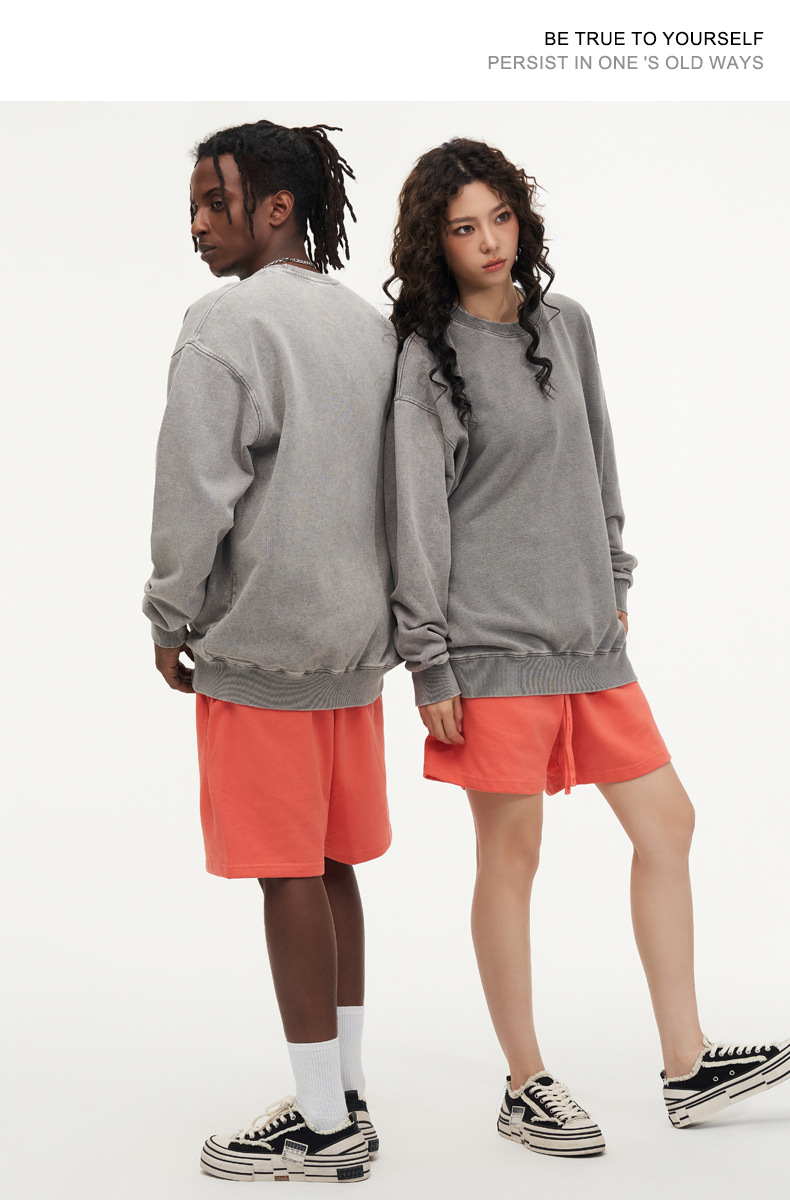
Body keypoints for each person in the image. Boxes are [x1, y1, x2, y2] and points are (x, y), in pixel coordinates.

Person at [383, 137, 789, 1157]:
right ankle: (525, 1082)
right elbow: (415, 517)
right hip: (489, 645)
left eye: (500, 217)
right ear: (436, 243)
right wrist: (429, 659)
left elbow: (598, 460)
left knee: (667, 822)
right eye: (464, 227)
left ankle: (688, 1065)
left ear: (521, 218)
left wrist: (613, 578)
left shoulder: (567, 325)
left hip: (586, 636)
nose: (489, 241)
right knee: (512, 852)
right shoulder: (427, 359)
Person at [143, 119, 398, 1184]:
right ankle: (345, 1090)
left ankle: (323, 1127)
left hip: (264, 646)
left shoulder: (225, 324)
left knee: (285, 874)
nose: (198, 225)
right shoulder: (372, 329)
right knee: (332, 864)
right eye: (194, 206)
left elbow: (194, 490)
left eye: (217, 202)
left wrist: (169, 614)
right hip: (356, 650)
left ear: (278, 207)